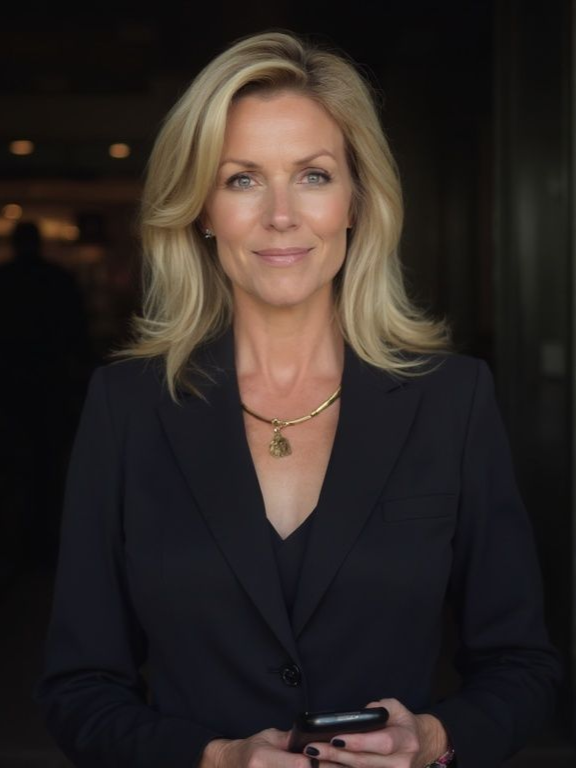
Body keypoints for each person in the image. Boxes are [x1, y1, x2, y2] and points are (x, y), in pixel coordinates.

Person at [35, 30, 561, 768]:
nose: (281, 214)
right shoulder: (126, 406)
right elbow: (79, 689)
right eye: (242, 179)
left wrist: (435, 739)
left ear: (356, 199)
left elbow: (523, 668)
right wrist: (215, 758)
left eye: (313, 176)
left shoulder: (452, 399)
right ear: (201, 209)